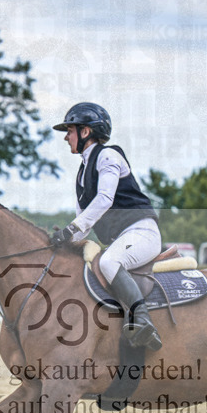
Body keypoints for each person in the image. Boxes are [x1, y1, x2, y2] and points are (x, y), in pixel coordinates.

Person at [50, 102, 163, 350]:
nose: (66, 137)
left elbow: (104, 199)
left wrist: (71, 229)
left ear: (86, 132)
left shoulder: (109, 156)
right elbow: (84, 222)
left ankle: (143, 320)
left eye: (69, 131)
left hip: (141, 231)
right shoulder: (81, 174)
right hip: (123, 237)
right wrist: (64, 240)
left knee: (109, 262)